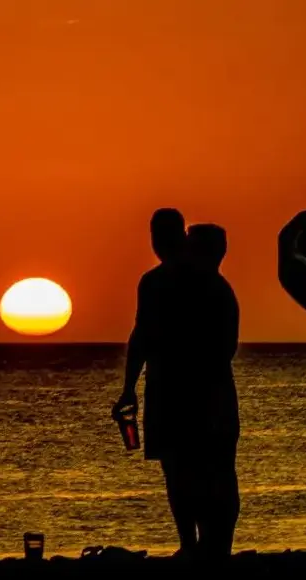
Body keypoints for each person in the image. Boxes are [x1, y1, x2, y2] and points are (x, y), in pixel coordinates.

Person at [114, 208, 198, 554]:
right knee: (178, 468)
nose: (157, 243)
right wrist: (129, 386)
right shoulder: (157, 281)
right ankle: (191, 544)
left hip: (183, 388)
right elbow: (141, 337)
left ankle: (197, 545)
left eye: (161, 235)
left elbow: (142, 336)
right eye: (154, 235)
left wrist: (129, 386)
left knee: (187, 468)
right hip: (166, 387)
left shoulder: (182, 281)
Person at [182, 224, 240, 559]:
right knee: (215, 471)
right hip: (216, 394)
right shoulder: (218, 290)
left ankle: (214, 545)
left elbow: (220, 349)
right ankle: (213, 544)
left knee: (209, 470)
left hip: (210, 396)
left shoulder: (212, 292)